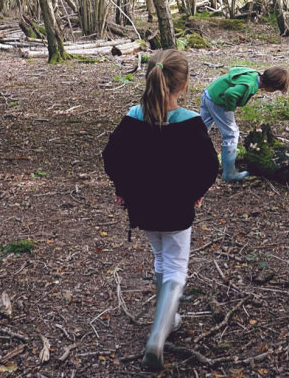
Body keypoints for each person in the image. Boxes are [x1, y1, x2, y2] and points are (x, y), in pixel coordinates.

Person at [102, 50, 219, 371]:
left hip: (142, 209)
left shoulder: (132, 118)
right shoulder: (192, 123)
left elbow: (112, 158)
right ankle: (157, 337)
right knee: (176, 268)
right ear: (183, 86)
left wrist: (123, 190)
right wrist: (195, 194)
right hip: (176, 208)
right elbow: (209, 166)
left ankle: (169, 316)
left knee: (160, 258)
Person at [200, 66, 289, 183]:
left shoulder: (253, 74)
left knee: (200, 128)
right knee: (231, 134)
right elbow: (230, 94)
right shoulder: (250, 85)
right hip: (217, 101)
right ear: (272, 86)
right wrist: (230, 109)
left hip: (210, 93)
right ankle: (229, 173)